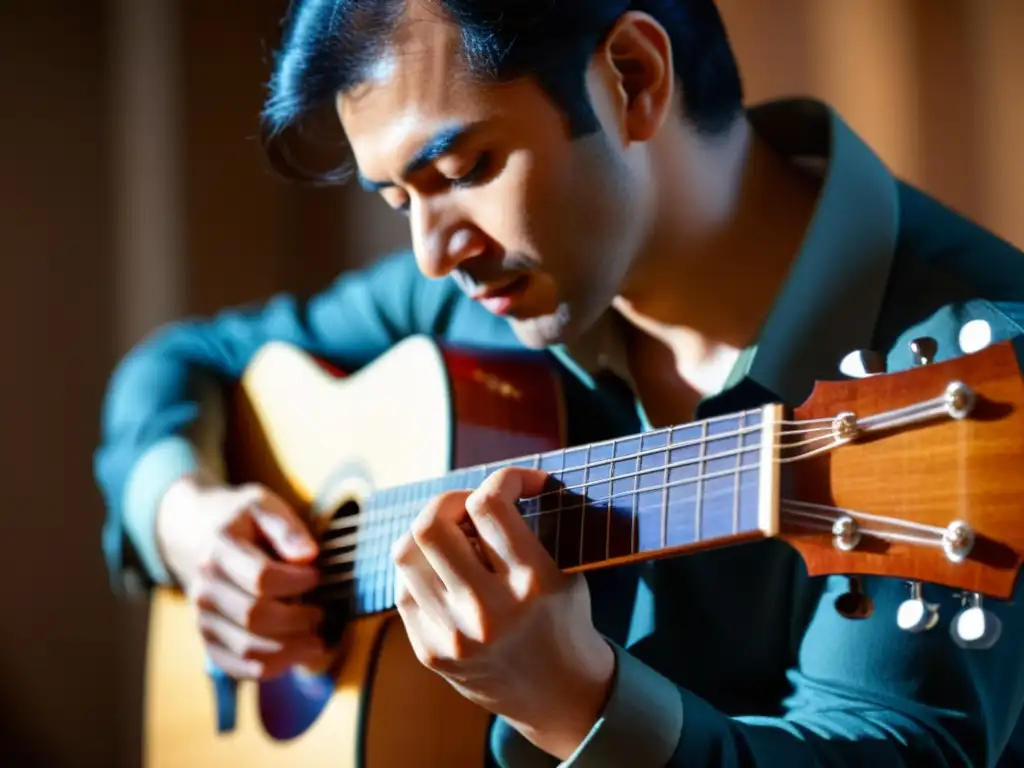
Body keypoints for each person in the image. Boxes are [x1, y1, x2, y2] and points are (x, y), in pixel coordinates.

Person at [95, 0, 1024, 765]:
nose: (431, 254)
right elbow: (186, 361)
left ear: (632, 79)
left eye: (463, 170)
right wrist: (187, 521)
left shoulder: (960, 376)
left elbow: (894, 750)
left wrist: (574, 700)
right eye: (398, 200)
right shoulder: (481, 304)